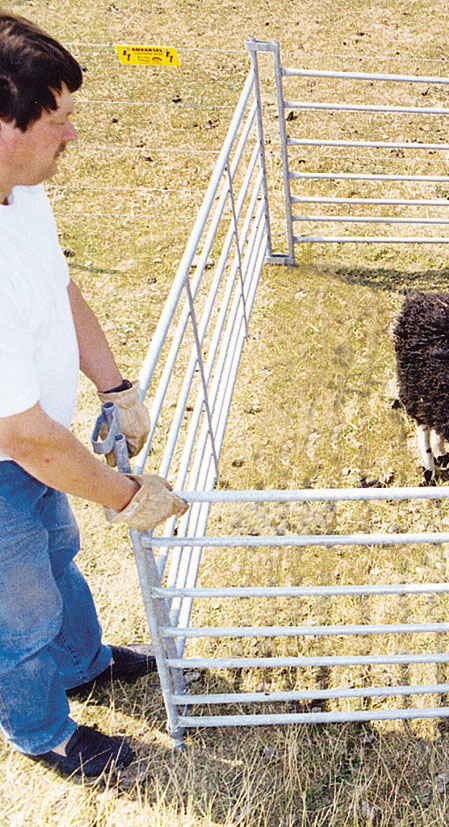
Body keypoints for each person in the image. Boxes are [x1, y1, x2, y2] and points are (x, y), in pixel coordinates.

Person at [0, 10, 188, 780]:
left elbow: (61, 288)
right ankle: (42, 729)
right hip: (12, 450)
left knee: (56, 550)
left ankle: (84, 661)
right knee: (21, 612)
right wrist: (124, 493)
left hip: (33, 443)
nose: (72, 135)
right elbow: (26, 438)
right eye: (58, 120)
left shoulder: (23, 192)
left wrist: (115, 383)